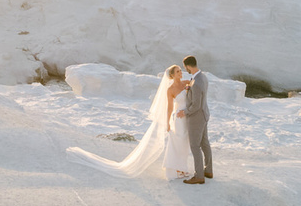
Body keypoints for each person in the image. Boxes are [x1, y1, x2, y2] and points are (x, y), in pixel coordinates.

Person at [65, 64, 193, 180]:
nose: (180, 73)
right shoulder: (170, 89)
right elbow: (169, 107)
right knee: (177, 143)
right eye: (177, 72)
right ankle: (177, 169)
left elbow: (195, 92)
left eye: (180, 71)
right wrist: (168, 123)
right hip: (178, 119)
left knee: (184, 144)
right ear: (172, 75)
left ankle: (181, 167)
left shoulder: (187, 83)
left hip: (187, 117)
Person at [177, 55, 212, 184]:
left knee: (195, 146)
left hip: (196, 117)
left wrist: (184, 112)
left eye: (184, 67)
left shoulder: (196, 82)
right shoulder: (202, 77)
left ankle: (199, 176)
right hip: (204, 114)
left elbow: (195, 105)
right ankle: (208, 170)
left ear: (188, 66)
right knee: (204, 143)